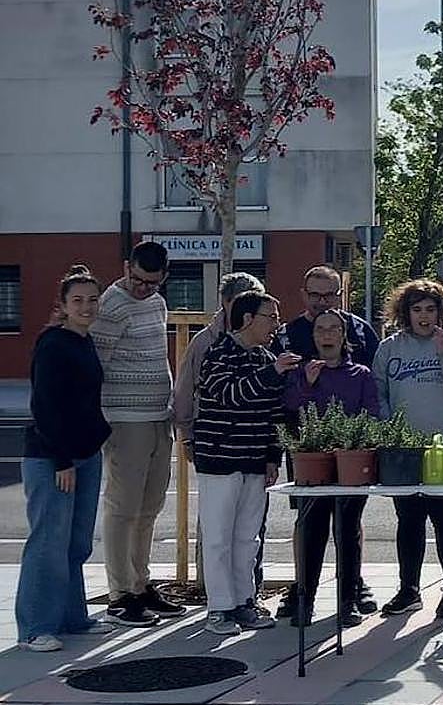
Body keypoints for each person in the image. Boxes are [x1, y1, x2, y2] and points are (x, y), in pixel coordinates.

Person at [16, 266, 116, 651]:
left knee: (76, 543)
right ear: (62, 305)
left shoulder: (84, 341)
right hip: (53, 458)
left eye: (93, 300)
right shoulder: (53, 343)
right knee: (47, 542)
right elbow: (45, 406)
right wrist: (61, 460)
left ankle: (73, 617)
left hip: (86, 454)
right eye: (78, 300)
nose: (87, 307)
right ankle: (35, 627)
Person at [273, 264, 380, 614]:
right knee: (309, 520)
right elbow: (282, 394)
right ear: (304, 295)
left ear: (340, 295)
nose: (322, 301)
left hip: (352, 450)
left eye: (329, 295)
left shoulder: (362, 332)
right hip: (306, 445)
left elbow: (372, 395)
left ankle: (352, 586)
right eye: (315, 295)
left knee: (348, 523)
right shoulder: (287, 334)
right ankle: (303, 589)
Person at [194, 290, 300, 635]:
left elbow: (274, 412)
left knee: (248, 538)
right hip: (221, 459)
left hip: (254, 461)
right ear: (247, 319)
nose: (277, 324)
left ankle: (244, 601)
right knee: (218, 538)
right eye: (271, 316)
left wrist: (273, 457)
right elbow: (230, 395)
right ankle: (219, 608)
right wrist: (272, 371)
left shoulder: (266, 357)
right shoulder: (219, 353)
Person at [89, 240, 182, 627]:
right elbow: (97, 364)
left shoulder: (157, 303)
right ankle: (119, 594)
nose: (144, 288)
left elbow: (159, 354)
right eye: (139, 280)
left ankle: (141, 584)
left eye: (153, 283)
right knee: (122, 508)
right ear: (128, 267)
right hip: (125, 418)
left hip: (158, 415)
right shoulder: (111, 305)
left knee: (148, 509)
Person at [373, 279, 443, 618]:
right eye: (417, 309)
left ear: (442, 311)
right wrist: (390, 428)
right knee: (408, 520)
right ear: (405, 313)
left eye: (430, 309)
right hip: (404, 449)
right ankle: (409, 589)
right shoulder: (390, 347)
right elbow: (379, 393)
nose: (423, 316)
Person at [173, 271, 265, 459]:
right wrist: (188, 437)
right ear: (227, 302)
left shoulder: (266, 338)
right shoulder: (204, 342)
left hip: (256, 439)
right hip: (213, 441)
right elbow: (184, 390)